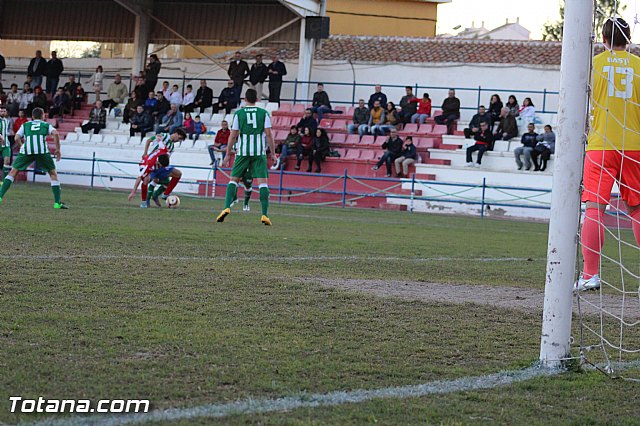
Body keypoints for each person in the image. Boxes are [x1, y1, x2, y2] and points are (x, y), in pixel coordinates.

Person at [576, 17, 640, 291]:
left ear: (603, 39)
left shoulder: (592, 65)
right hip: (634, 145)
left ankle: (590, 274)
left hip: (601, 145)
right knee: (637, 209)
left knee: (594, 208)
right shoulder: (639, 66)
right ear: (628, 39)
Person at [216, 88, 276, 225]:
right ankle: (264, 215)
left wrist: (227, 155)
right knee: (263, 183)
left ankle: (226, 207)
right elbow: (268, 135)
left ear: (245, 99)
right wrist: (272, 154)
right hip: (258, 153)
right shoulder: (263, 113)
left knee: (233, 180)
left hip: (242, 153)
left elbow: (233, 135)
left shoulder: (239, 114)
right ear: (257, 99)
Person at [0, 107, 67, 209]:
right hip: (41, 152)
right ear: (43, 116)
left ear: (32, 116)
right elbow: (56, 134)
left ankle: (0, 196)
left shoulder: (25, 125)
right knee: (53, 174)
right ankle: (57, 203)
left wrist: (21, 146)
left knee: (13, 172)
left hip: (27, 150)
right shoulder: (45, 125)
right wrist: (57, 149)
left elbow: (17, 137)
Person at [127, 129, 187, 206]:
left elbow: (165, 159)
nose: (178, 141)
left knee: (177, 174)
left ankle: (165, 194)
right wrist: (145, 153)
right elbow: (149, 140)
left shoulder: (171, 147)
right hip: (151, 163)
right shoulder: (164, 136)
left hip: (161, 165)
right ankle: (145, 201)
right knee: (147, 179)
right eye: (179, 138)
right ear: (176, 133)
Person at [0, 106, 12, 180]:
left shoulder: (7, 121)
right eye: (1, 111)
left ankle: (3, 182)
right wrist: (1, 137)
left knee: (7, 162)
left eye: (4, 111)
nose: (3, 113)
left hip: (5, 144)